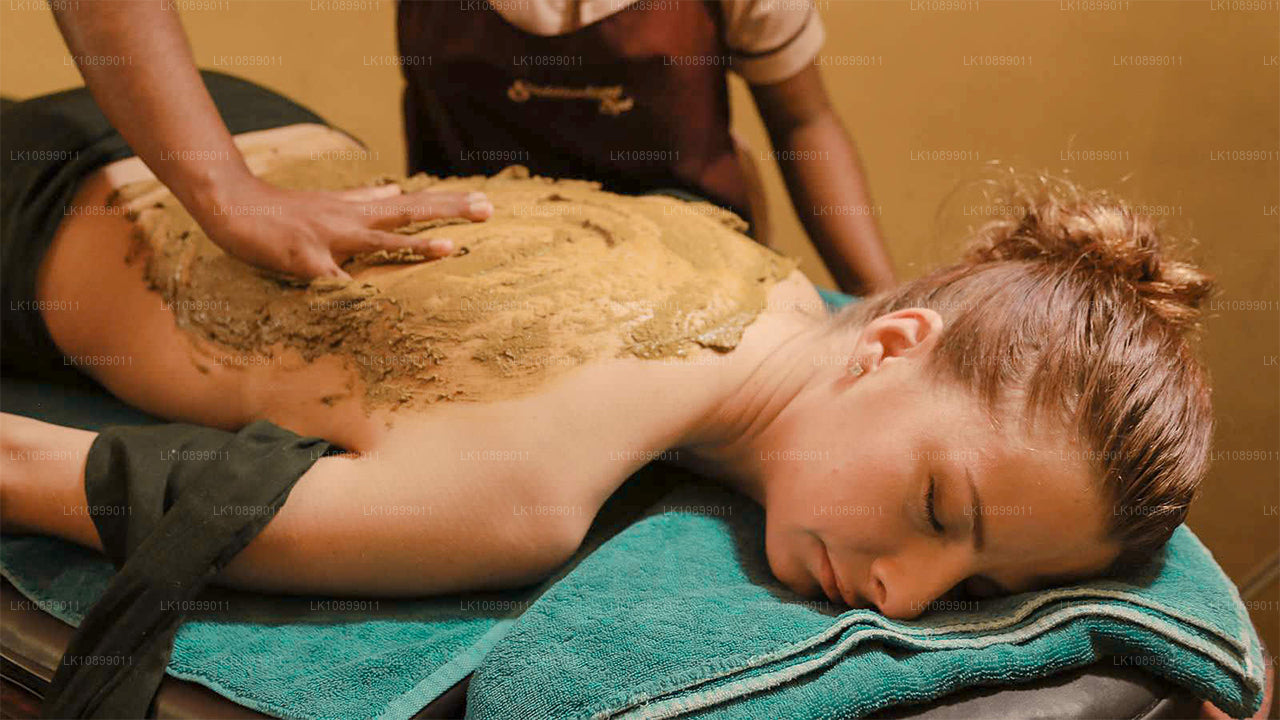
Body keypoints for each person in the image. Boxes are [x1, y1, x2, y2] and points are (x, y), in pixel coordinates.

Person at [0, 75, 1215, 620]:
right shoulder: (522, 498)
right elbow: (46, 474)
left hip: (256, 120)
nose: (907, 595)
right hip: (39, 209)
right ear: (892, 339)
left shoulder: (773, 279)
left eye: (981, 592)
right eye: (943, 509)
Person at [48, 0, 897, 295]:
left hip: (700, 255)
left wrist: (872, 289)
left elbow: (804, 120)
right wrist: (227, 192)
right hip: (486, 251)